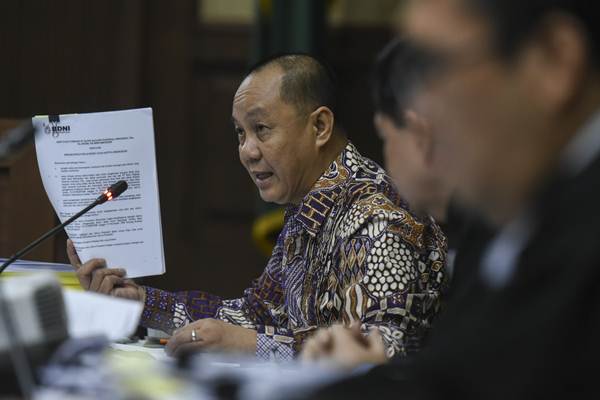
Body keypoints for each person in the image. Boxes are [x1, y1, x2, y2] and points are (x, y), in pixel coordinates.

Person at [302, 0, 600, 398]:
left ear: (554, 60)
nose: (420, 113)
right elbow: (466, 372)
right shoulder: (509, 221)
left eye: (428, 67)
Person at [67, 54, 447, 361]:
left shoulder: (375, 218)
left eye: (261, 129)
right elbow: (255, 314)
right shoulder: (310, 207)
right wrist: (141, 301)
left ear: (320, 127)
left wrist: (251, 345)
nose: (247, 151)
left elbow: (382, 355)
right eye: (240, 133)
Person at [302, 38, 466, 369]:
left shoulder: (381, 219)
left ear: (421, 136)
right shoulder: (483, 233)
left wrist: (376, 371)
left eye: (386, 137)